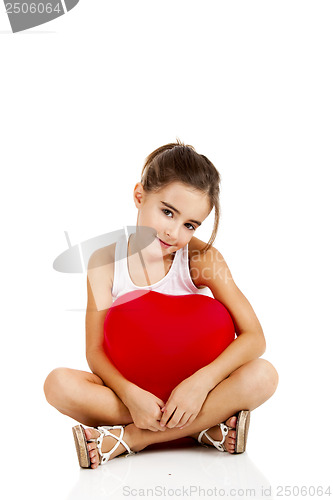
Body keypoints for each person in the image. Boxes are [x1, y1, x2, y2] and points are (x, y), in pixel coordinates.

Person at [44, 140, 279, 469]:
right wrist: (129, 394)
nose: (174, 232)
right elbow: (95, 351)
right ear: (140, 195)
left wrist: (201, 383)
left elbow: (254, 336)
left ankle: (130, 438)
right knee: (58, 385)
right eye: (167, 212)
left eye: (190, 224)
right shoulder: (104, 262)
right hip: (137, 396)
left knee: (264, 375)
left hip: (199, 395)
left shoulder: (201, 259)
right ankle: (203, 428)